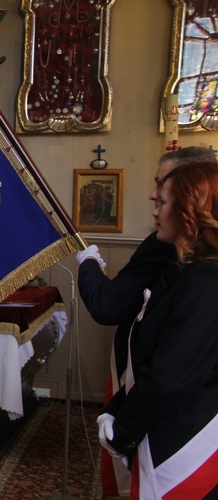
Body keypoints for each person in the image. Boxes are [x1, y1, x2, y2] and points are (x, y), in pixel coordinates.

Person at [76, 145, 216, 496]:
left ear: (187, 212)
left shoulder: (205, 282)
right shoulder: (185, 272)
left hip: (182, 437)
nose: (153, 201)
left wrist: (123, 431)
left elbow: (171, 376)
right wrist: (117, 407)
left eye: (161, 199)